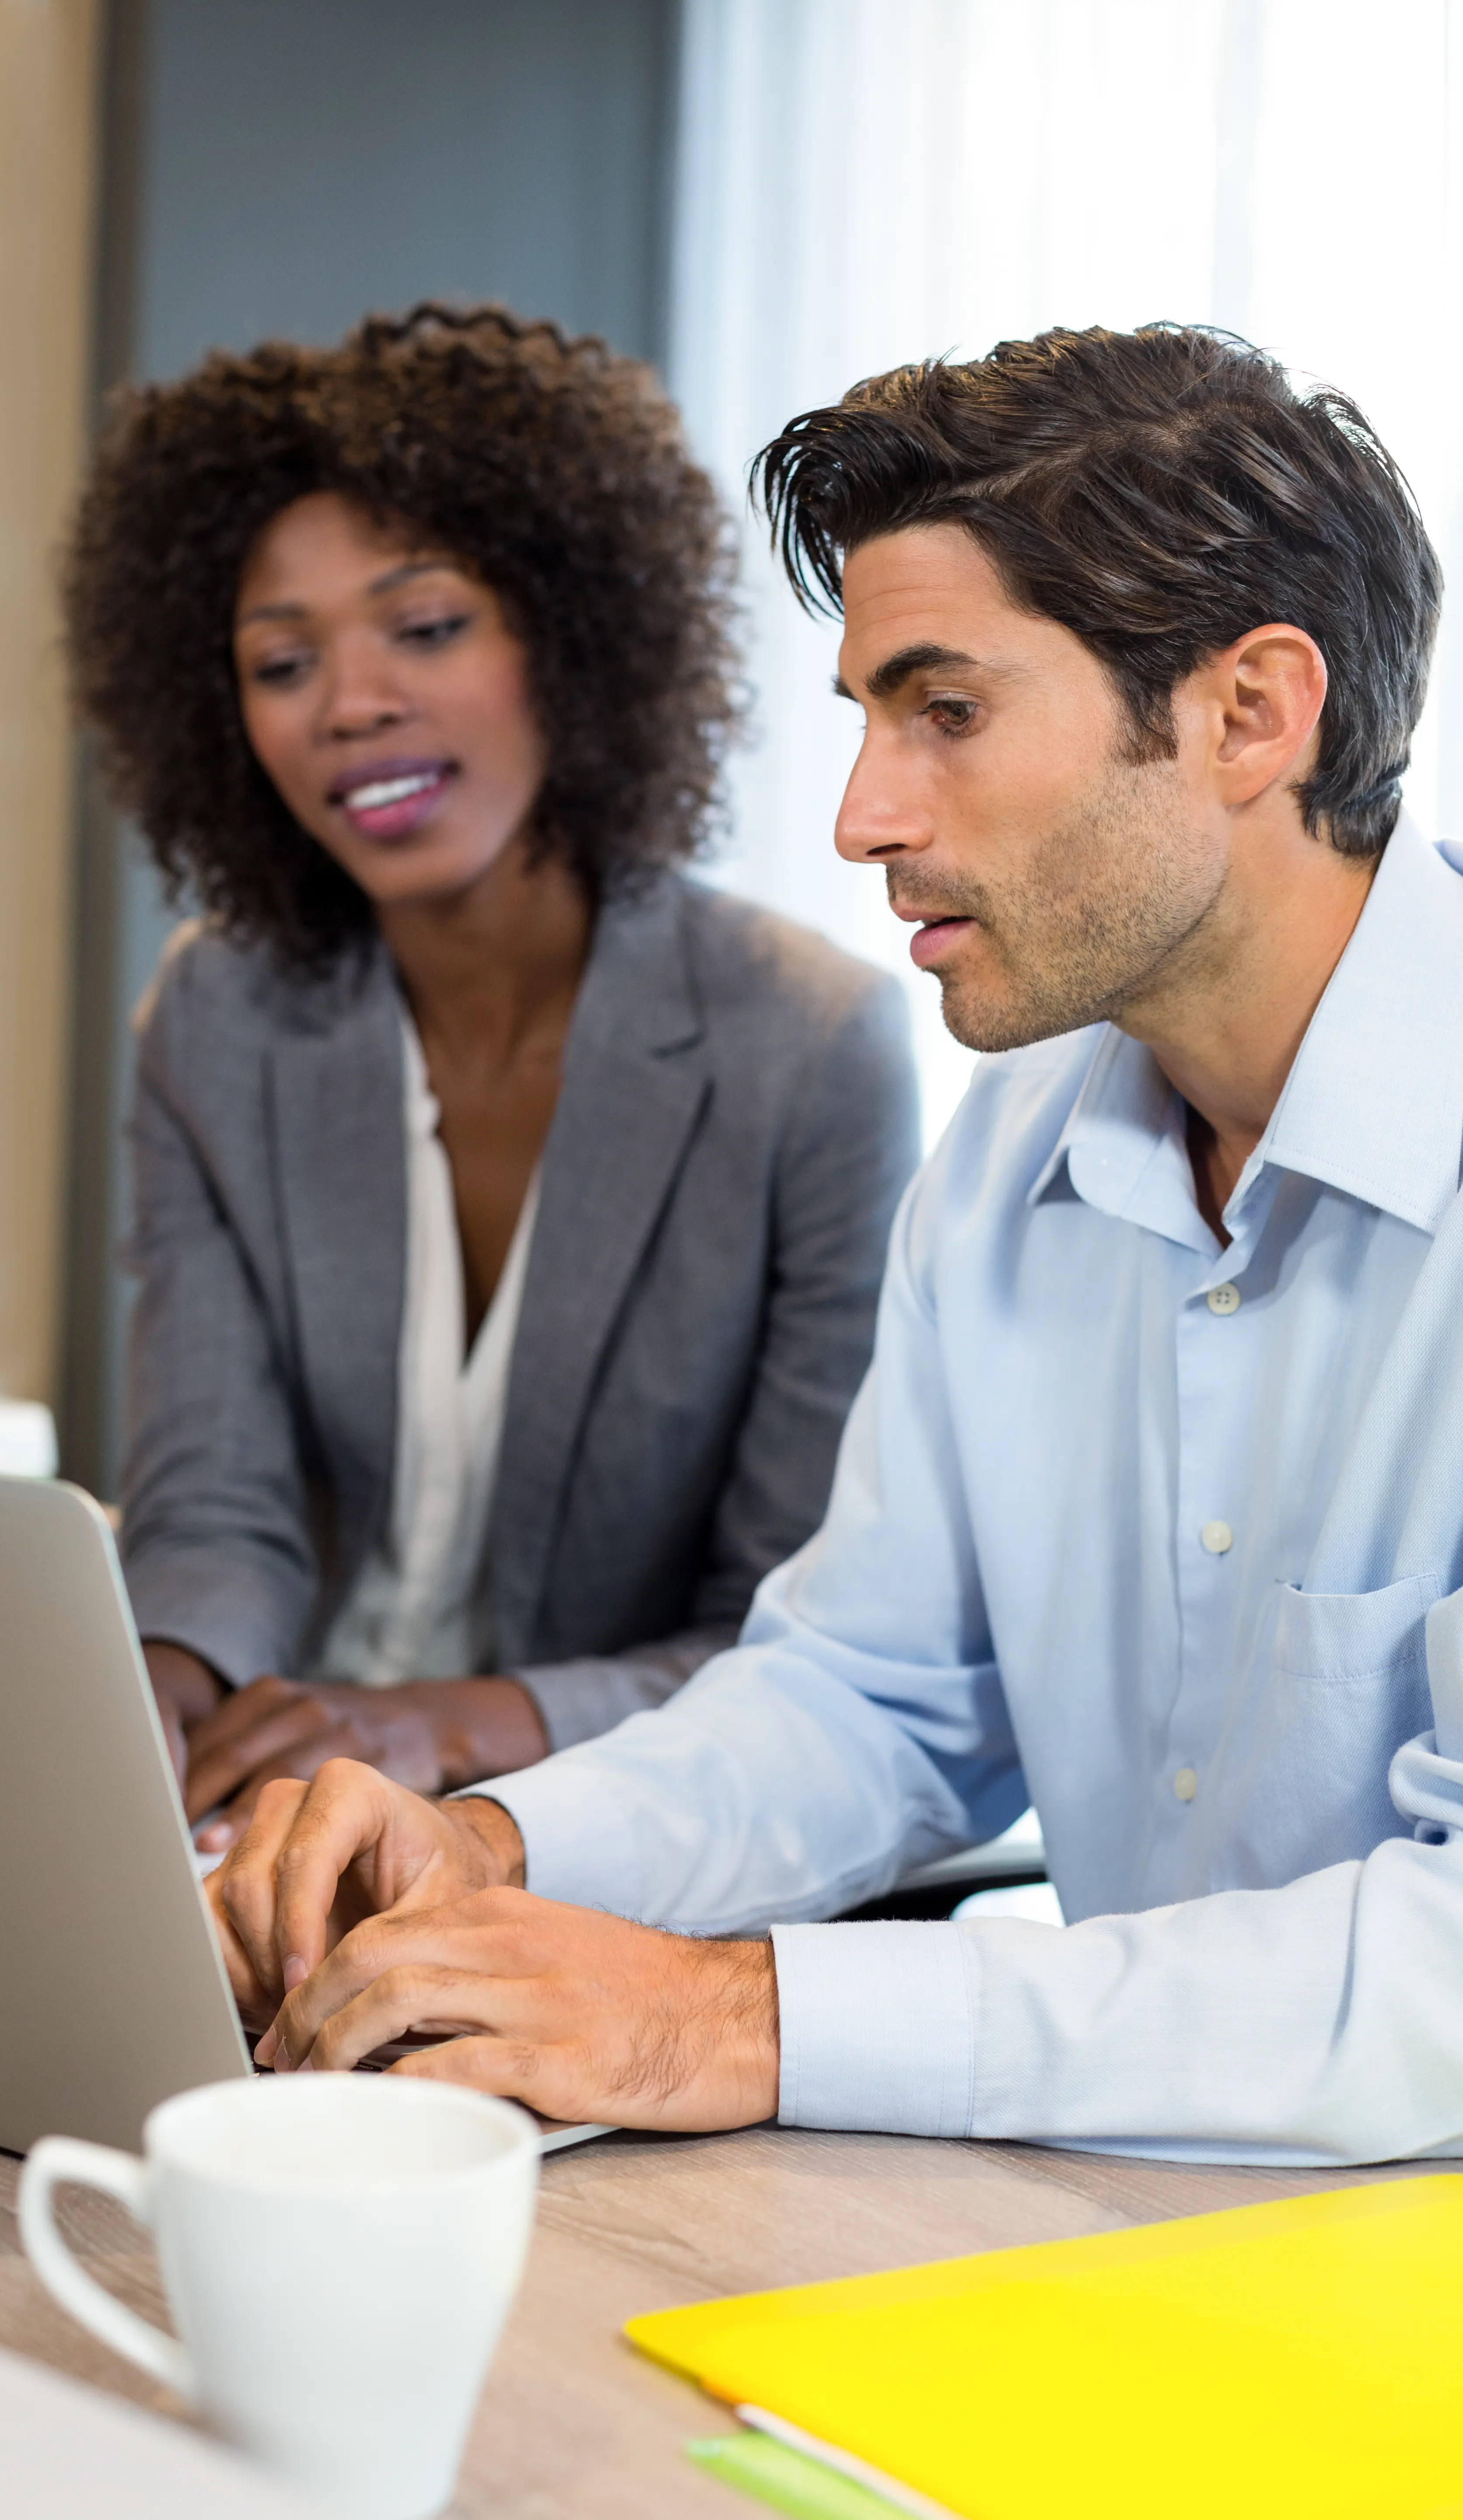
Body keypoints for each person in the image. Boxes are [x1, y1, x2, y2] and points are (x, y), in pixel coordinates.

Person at [208, 321, 1463, 2168]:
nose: (863, 818)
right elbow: (874, 1701)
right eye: (869, 719)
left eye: (945, 711)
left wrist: (733, 2017)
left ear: (1250, 714)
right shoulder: (1017, 1155)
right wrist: (499, 1847)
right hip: (1131, 2245)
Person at [63, 305, 917, 1849]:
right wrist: (160, 1689)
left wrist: (450, 1726)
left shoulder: (807, 1049)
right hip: (261, 1820)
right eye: (280, 659)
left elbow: (806, 1633)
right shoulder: (219, 1018)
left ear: (569, 635)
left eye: (429, 625)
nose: (350, 702)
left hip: (609, 1833)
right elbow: (213, 1505)